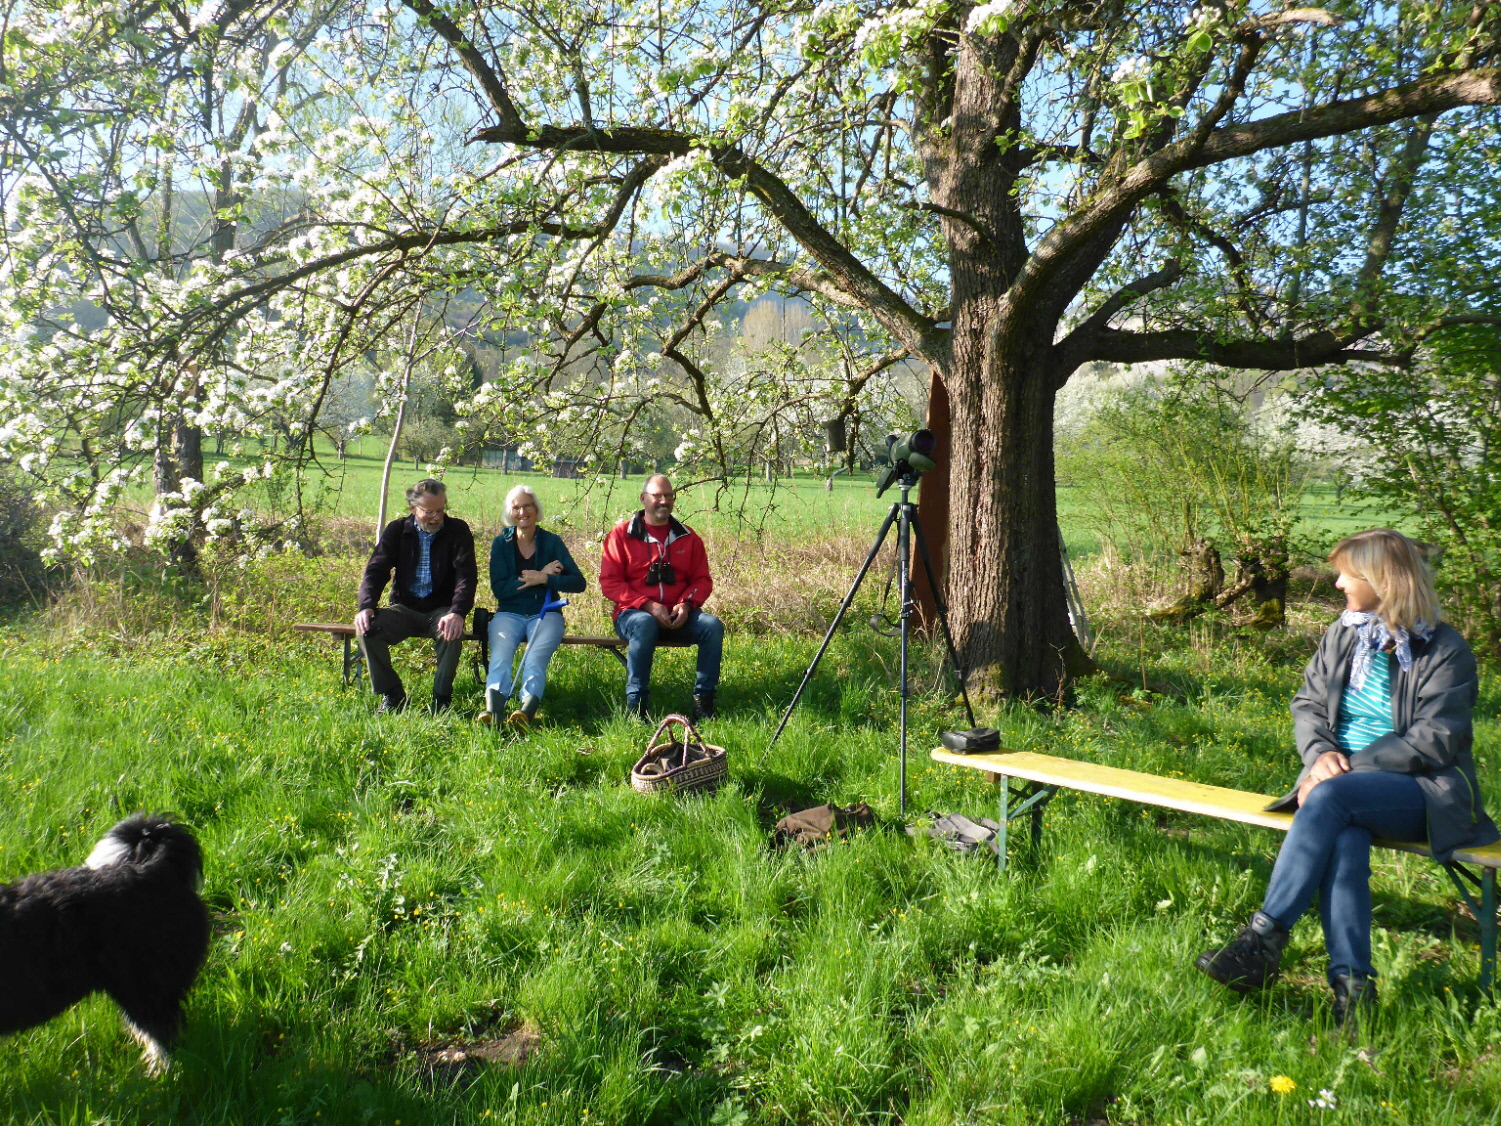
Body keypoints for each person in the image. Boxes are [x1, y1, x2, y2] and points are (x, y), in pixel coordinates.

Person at [1196, 529, 1498, 1028]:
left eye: (1347, 574)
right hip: (1339, 790)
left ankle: (1262, 943)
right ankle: (1353, 995)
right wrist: (1319, 756)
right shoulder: (1344, 634)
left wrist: (1342, 771)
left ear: (1384, 580)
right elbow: (1308, 705)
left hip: (1422, 793)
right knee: (1347, 842)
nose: (1336, 584)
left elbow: (1435, 740)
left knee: (1335, 802)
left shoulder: (1444, 650)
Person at [600, 474, 723, 721]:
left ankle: (703, 704)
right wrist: (647, 605)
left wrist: (686, 605)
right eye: (657, 495)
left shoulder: (689, 537)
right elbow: (610, 583)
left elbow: (702, 580)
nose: (663, 501)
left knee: (712, 626)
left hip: (677, 617)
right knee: (644, 623)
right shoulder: (621, 535)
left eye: (668, 496)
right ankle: (637, 706)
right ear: (644, 498)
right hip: (633, 616)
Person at [354, 478, 478, 714]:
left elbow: (466, 576)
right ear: (413, 509)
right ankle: (393, 695)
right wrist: (366, 606)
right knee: (367, 629)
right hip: (404, 608)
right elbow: (376, 570)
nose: (436, 517)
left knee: (452, 632)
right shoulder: (397, 530)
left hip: (441, 610)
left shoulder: (457, 530)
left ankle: (441, 700)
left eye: (440, 510)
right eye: (429, 511)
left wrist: (457, 612)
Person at [478, 484, 586, 729]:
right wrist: (536, 576)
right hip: (508, 613)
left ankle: (525, 712)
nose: (522, 511)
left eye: (527, 505)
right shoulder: (501, 543)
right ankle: (493, 712)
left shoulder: (551, 542)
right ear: (510, 512)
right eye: (516, 507)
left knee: (535, 660)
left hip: (546, 613)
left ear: (536, 509)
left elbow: (578, 583)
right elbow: (500, 589)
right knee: (501, 657)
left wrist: (546, 579)